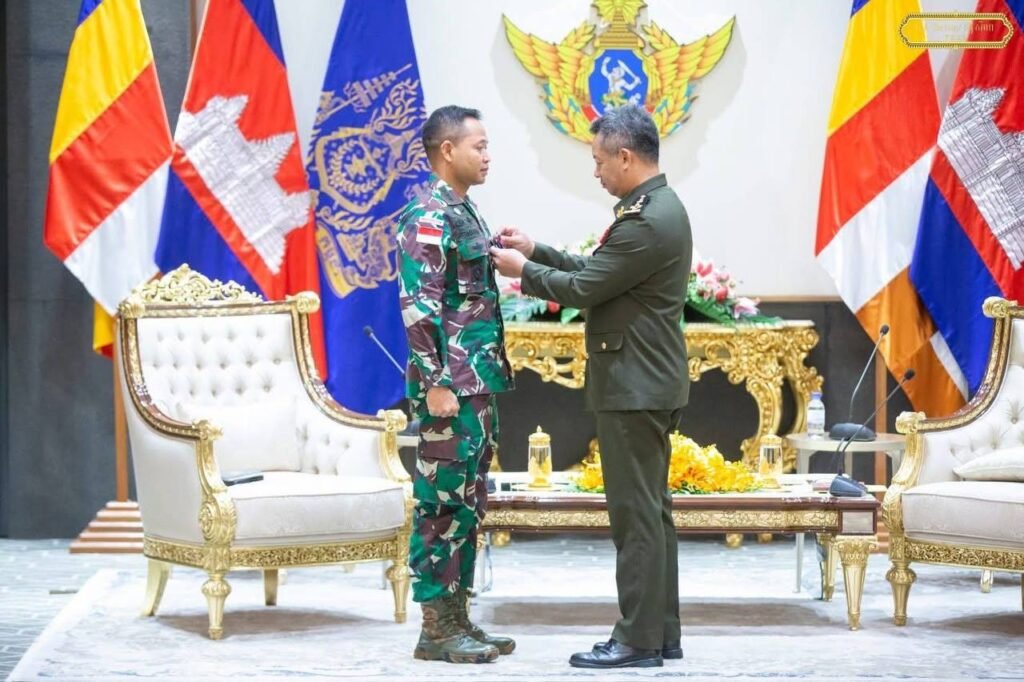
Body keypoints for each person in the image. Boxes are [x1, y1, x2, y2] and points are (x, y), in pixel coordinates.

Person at [490, 104, 692, 669]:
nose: (597, 171)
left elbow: (584, 289)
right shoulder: (656, 209)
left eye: (600, 161)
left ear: (626, 157)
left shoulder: (646, 220)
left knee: (635, 518)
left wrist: (522, 272)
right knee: (652, 514)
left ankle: (637, 641)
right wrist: (536, 252)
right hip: (647, 381)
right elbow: (599, 270)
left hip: (635, 384)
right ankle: (661, 633)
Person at [396, 105, 515, 664]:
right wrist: (436, 383)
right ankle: (436, 629)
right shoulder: (427, 216)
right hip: (450, 388)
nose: (487, 156)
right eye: (479, 146)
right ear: (448, 150)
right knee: (440, 506)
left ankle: (458, 619)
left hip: (477, 382)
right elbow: (418, 307)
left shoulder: (464, 211)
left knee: (468, 503)